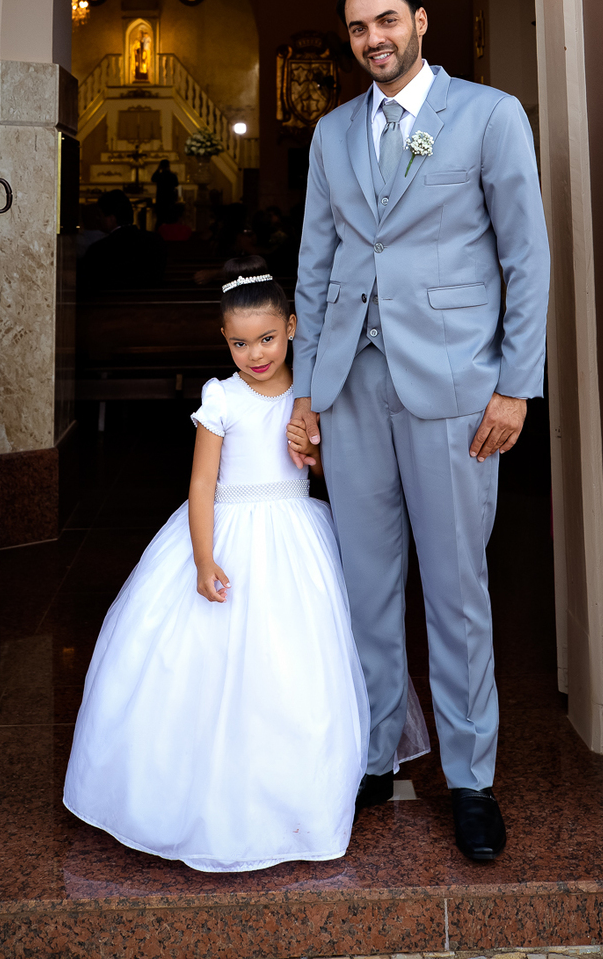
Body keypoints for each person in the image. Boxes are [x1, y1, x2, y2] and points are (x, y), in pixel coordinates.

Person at [287, 0, 550, 864]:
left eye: (388, 20)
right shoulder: (331, 133)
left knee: (456, 588)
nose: (375, 39)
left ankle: (471, 780)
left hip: (454, 386)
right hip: (351, 387)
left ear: (421, 22)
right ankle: (374, 755)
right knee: (366, 585)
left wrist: (515, 385)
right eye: (359, 27)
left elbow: (526, 256)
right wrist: (308, 393)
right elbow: (316, 261)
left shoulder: (488, 116)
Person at [62, 275, 371, 871]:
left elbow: (328, 471)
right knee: (206, 665)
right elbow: (202, 484)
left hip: (294, 538)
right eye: (240, 344)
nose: (255, 355)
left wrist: (313, 453)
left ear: (291, 328)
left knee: (296, 667)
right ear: (224, 340)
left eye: (267, 339)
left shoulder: (308, 397)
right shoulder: (221, 397)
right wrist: (204, 559)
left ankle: (297, 799)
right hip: (226, 533)